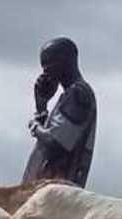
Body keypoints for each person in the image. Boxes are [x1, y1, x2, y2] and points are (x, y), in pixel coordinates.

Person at [22, 37, 97, 187]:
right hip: (47, 191)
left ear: (65, 61)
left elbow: (56, 142)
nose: (45, 71)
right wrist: (41, 107)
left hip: (58, 195)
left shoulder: (79, 94)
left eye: (49, 63)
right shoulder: (69, 95)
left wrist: (34, 126)